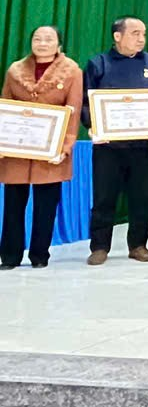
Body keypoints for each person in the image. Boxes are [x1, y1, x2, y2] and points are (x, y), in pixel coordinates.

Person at [83, 17, 148, 265]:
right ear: (117, 36)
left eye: (143, 33)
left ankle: (138, 245)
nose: (141, 39)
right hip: (109, 147)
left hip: (143, 146)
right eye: (135, 33)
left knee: (142, 197)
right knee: (104, 198)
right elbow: (85, 102)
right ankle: (99, 247)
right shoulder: (98, 63)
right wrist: (93, 126)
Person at [0, 26, 82, 271]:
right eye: (37, 38)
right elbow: (5, 106)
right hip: (17, 150)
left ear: (59, 44)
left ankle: (39, 255)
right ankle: (9, 256)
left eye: (48, 39)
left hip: (51, 151)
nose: (42, 43)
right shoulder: (15, 70)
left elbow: (73, 111)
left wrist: (65, 147)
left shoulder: (72, 71)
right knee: (13, 205)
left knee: (46, 206)